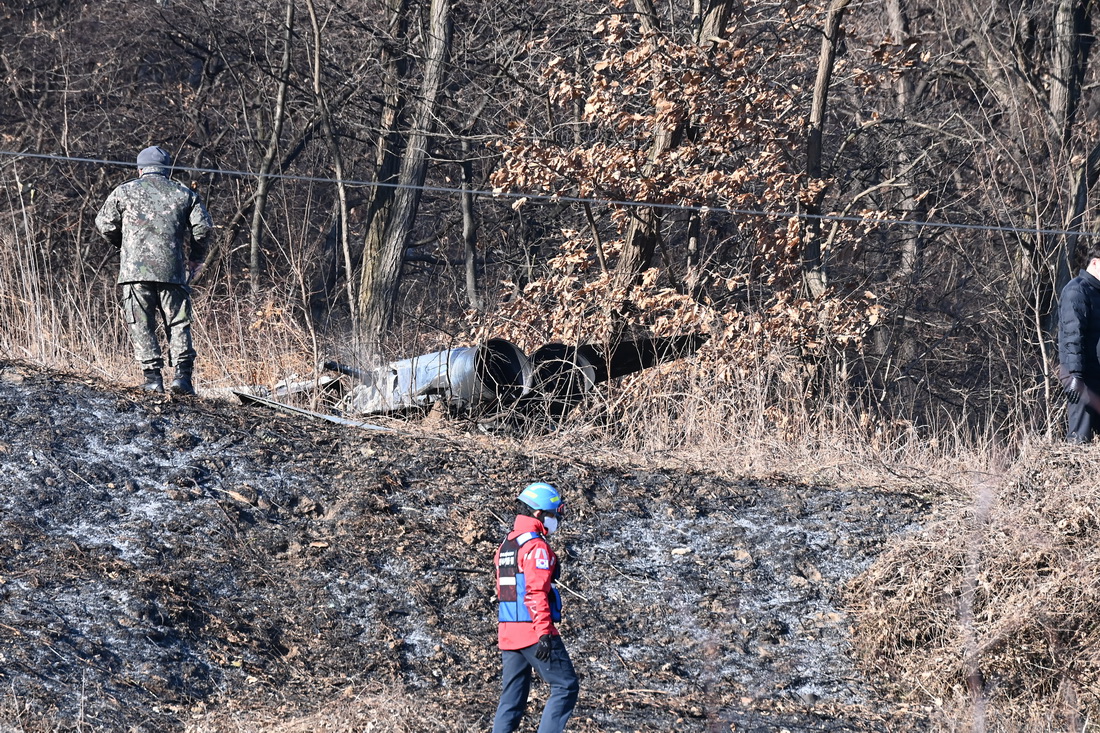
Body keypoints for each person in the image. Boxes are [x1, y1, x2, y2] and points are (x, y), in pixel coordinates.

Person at [95, 146, 212, 395]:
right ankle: (182, 378)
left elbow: (104, 224)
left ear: (140, 169)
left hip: (134, 272)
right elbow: (202, 229)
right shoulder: (185, 194)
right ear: (167, 169)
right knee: (178, 322)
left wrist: (123, 245)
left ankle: (152, 379)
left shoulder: (124, 192)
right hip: (172, 271)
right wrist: (195, 258)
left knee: (141, 322)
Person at [492, 481, 579, 733]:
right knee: (565, 686)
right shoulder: (536, 546)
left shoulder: (507, 544)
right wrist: (544, 633)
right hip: (533, 631)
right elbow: (535, 592)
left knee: (511, 700)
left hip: (508, 632)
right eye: (553, 514)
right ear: (539, 513)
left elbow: (504, 591)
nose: (555, 520)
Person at [1058, 243, 1100, 442]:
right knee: (1079, 440)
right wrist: (1075, 376)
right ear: (1095, 262)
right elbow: (1072, 336)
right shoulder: (1076, 291)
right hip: (1083, 379)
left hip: (1098, 376)